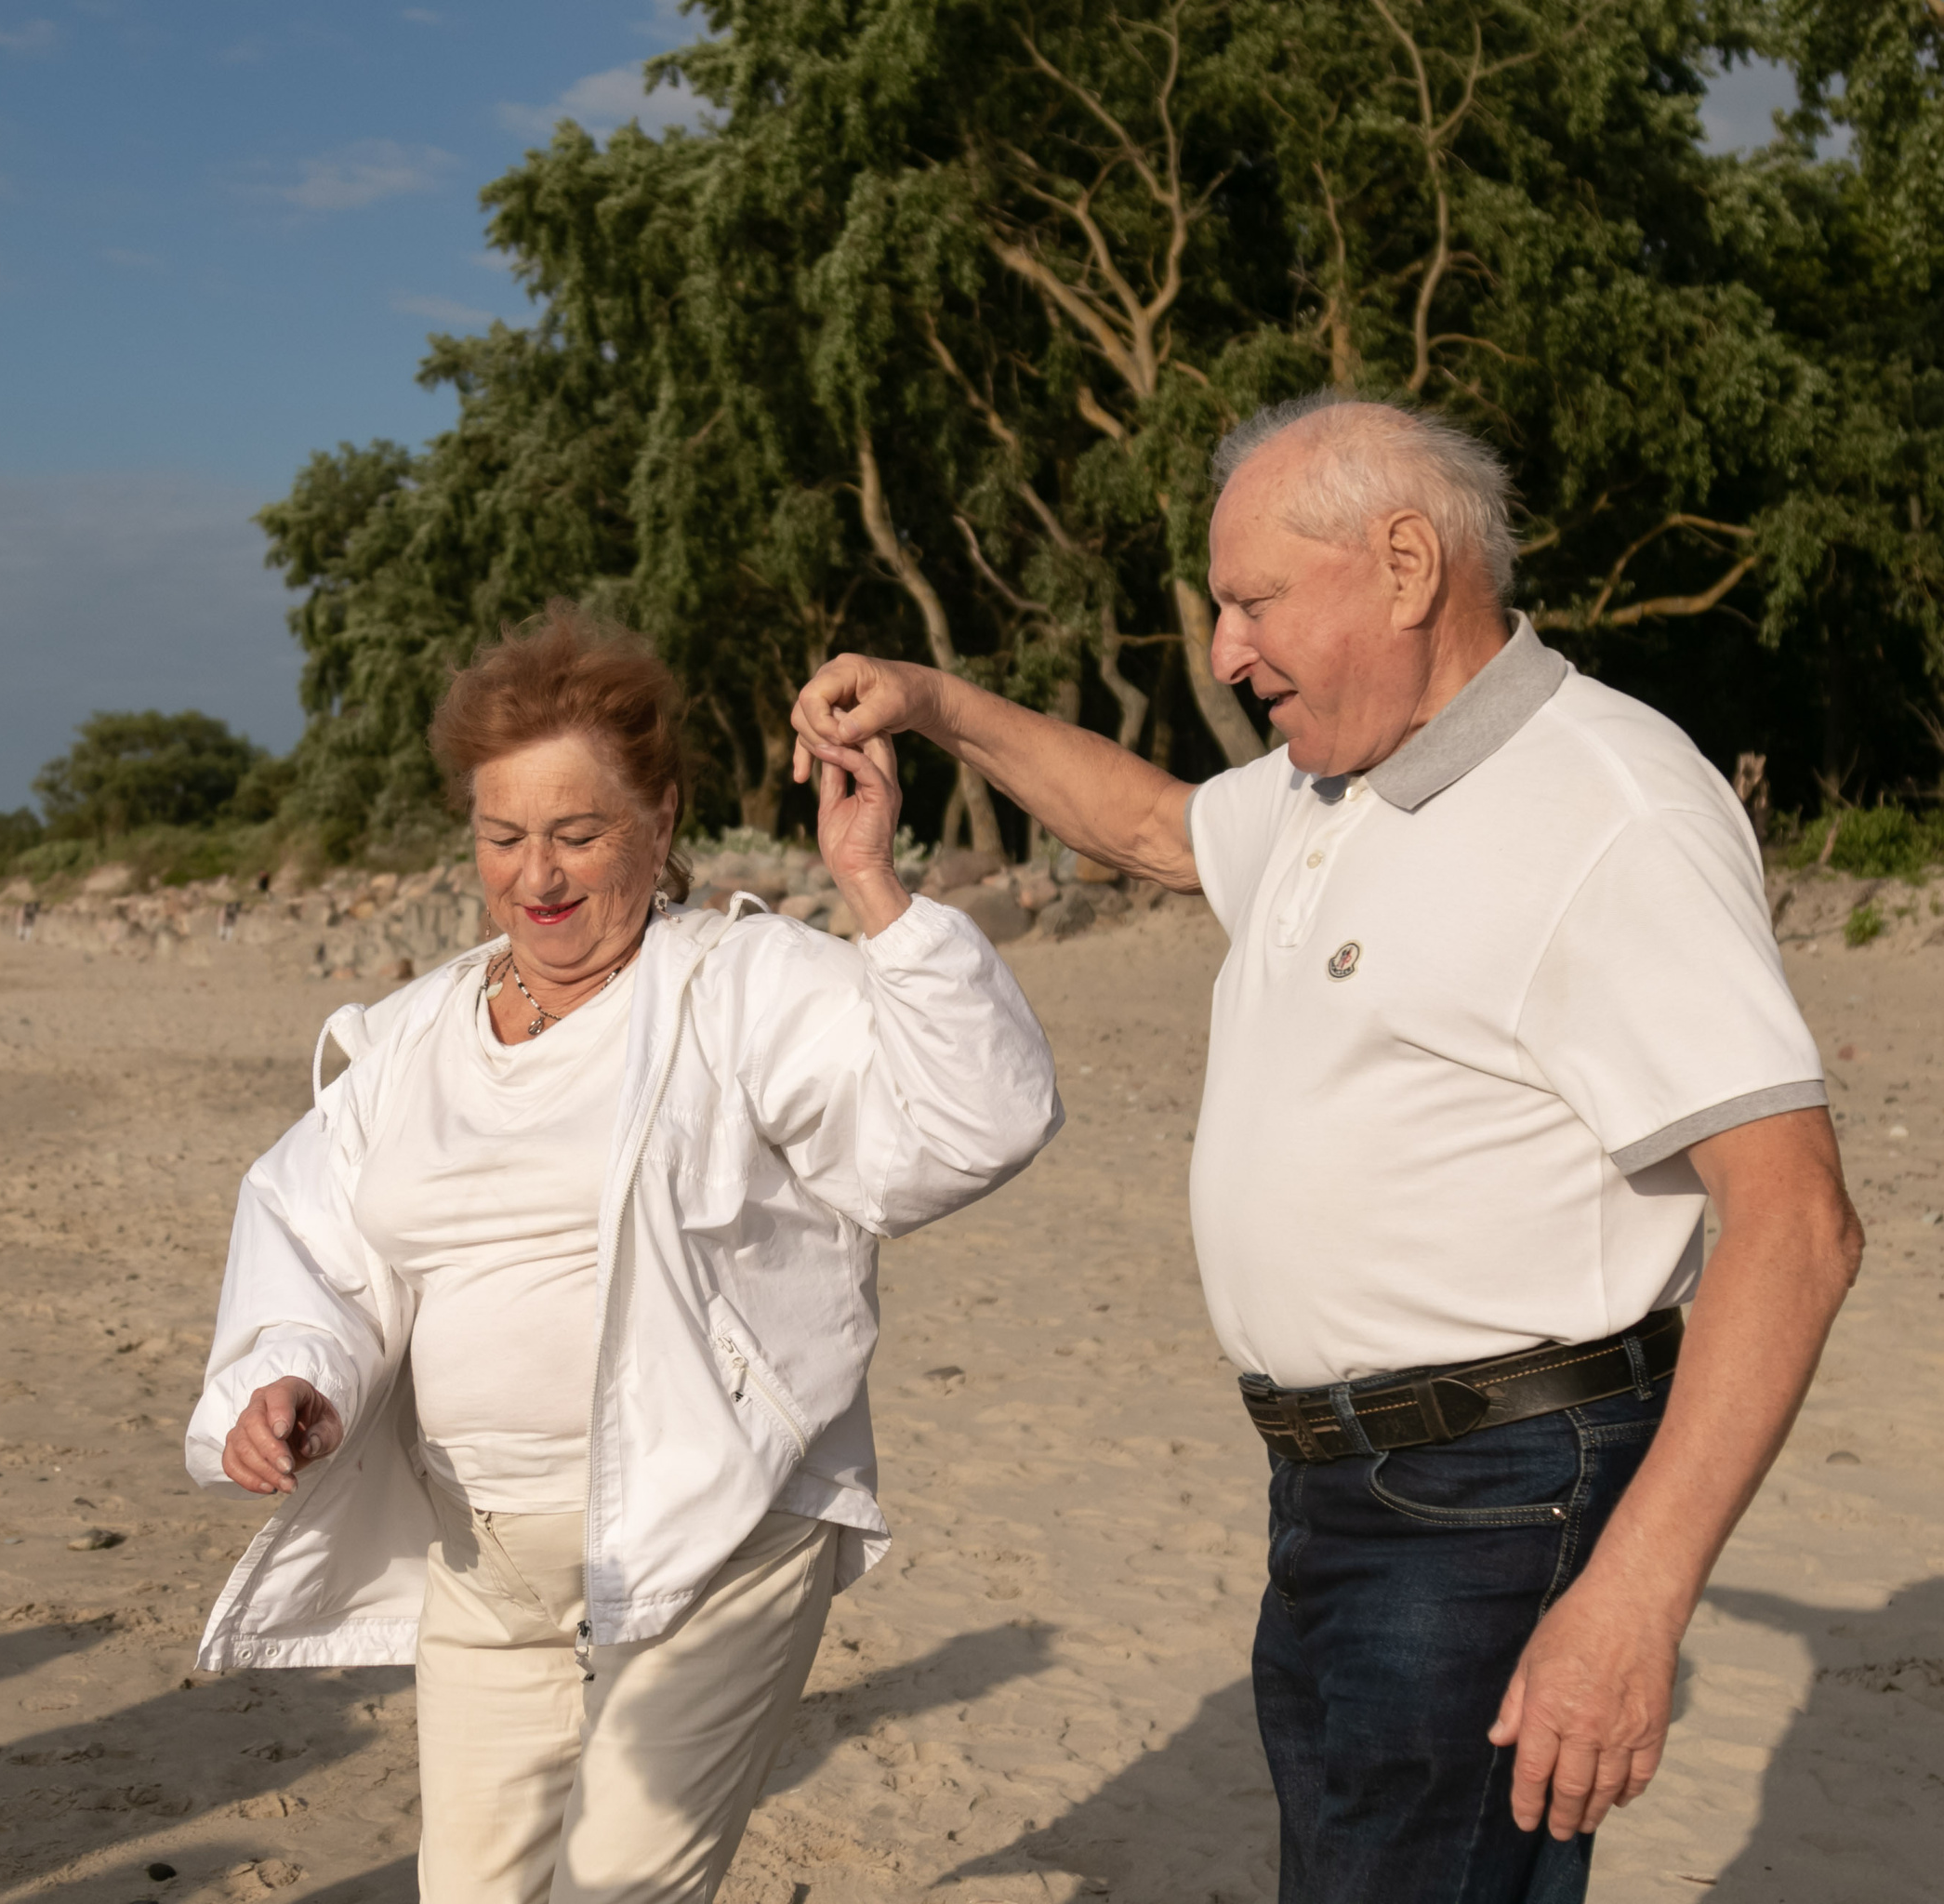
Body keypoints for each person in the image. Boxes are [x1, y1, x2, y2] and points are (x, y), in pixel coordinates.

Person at [789, 393, 1860, 1904]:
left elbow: (1799, 1227)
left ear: (1410, 564)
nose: (1225, 650)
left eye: (1252, 602)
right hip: (1341, 1493)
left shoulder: (1610, 807)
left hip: (1496, 1495)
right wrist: (934, 703)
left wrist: (1633, 1599)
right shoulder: (1330, 779)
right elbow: (1157, 829)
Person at [185, 606, 1062, 1904]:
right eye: (503, 836)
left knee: (620, 1890)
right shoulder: (415, 1037)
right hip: (484, 1558)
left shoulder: (745, 985)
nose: (537, 875)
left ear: (659, 817)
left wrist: (873, 886)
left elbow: (976, 1120)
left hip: (716, 1530)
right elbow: (316, 1246)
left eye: (579, 834)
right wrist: (290, 1378)